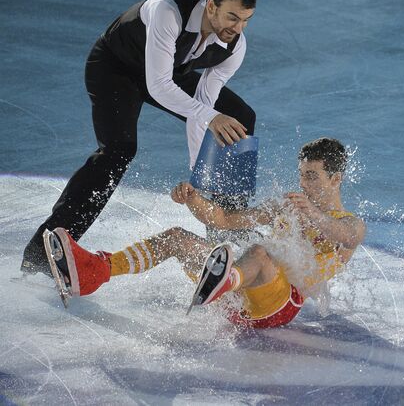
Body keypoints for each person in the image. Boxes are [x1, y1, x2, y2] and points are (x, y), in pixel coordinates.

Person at [22, 0, 258, 276]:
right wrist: (210, 118)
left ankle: (226, 237)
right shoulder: (167, 10)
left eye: (245, 20)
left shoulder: (234, 47)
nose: (238, 28)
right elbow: (160, 87)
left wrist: (198, 175)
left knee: (238, 120)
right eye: (232, 17)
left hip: (170, 75)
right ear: (211, 5)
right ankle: (43, 253)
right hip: (116, 69)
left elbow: (202, 108)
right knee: (118, 150)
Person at [44, 138, 366, 329]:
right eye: (302, 176)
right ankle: (95, 271)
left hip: (278, 307)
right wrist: (194, 200)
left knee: (259, 252)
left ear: (336, 179)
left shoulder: (350, 222)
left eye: (313, 177)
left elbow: (345, 235)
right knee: (176, 238)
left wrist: (314, 215)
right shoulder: (287, 207)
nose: (304, 185)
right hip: (240, 296)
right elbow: (226, 219)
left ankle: (222, 281)